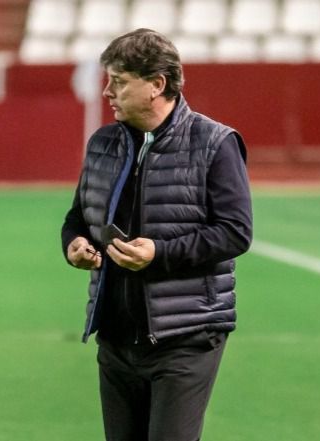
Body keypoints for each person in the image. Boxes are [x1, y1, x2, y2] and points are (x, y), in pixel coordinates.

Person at [61, 28, 253, 441]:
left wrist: (159, 253)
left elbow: (235, 233)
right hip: (115, 338)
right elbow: (78, 218)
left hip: (185, 337)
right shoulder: (102, 143)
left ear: (156, 85)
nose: (107, 91)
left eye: (119, 80)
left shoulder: (215, 143)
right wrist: (75, 246)